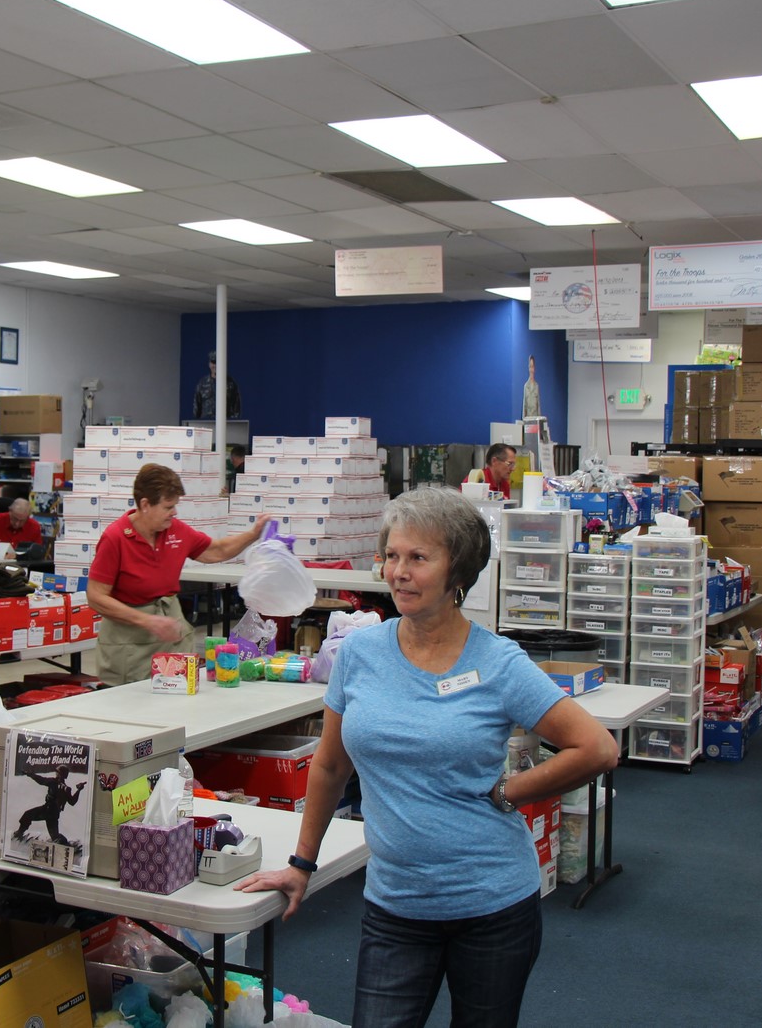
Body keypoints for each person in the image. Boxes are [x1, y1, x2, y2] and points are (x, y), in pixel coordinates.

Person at [237, 486, 617, 1028]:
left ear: (457, 570)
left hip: (493, 904)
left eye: (418, 558)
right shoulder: (361, 652)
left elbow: (597, 748)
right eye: (392, 555)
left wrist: (510, 792)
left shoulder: (498, 661)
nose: (399, 572)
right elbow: (329, 766)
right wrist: (302, 863)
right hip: (395, 904)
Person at [87, 463, 265, 686]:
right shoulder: (115, 538)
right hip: (129, 642)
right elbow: (96, 596)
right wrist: (147, 620)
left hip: (171, 634)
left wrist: (253, 534)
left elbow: (216, 550)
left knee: (179, 695)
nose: (175, 512)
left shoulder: (176, 531)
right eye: (168, 506)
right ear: (145, 505)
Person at [12, 764, 88, 845]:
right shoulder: (66, 789)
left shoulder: (54, 782)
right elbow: (72, 802)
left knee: (27, 815)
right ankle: (64, 843)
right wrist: (79, 790)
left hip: (48, 809)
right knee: (55, 836)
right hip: (54, 813)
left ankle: (19, 833)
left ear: (60, 774)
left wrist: (29, 774)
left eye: (57, 772)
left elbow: (41, 780)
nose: (56, 774)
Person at [192, 350, 241, 420]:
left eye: (218, 362)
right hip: (206, 425)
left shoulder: (231, 384)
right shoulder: (202, 384)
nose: (215, 366)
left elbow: (236, 408)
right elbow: (196, 408)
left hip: (225, 426)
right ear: (209, 364)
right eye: (213, 362)